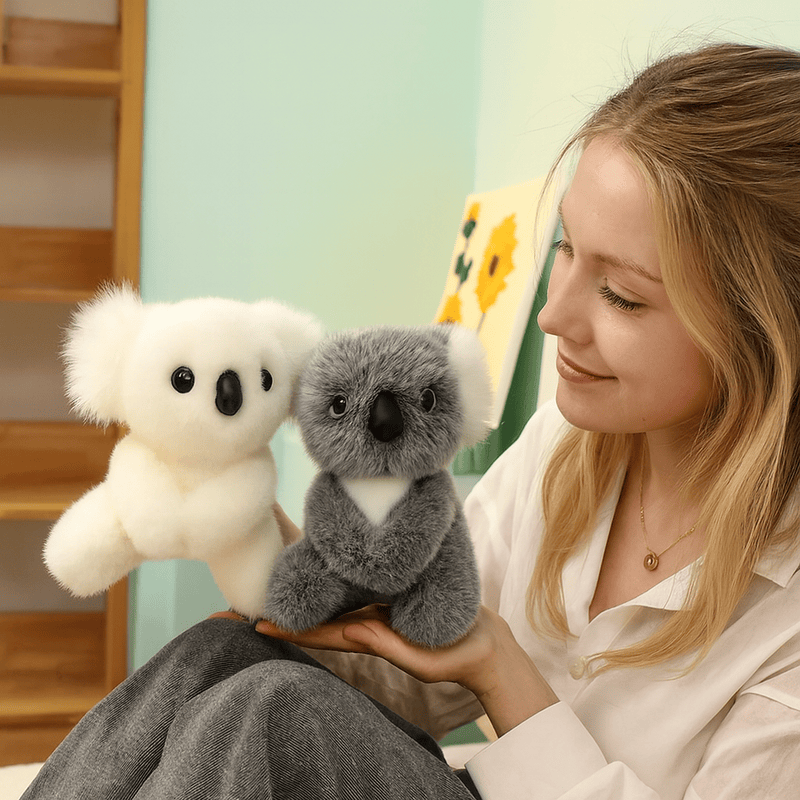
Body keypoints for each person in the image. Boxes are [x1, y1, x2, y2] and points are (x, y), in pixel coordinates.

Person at [23, 41, 800, 799]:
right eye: (566, 248)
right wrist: (255, 538)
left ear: (768, 332)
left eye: (622, 296)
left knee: (272, 713)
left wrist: (503, 670)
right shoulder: (566, 448)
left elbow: (474, 661)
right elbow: (421, 678)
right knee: (225, 653)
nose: (553, 316)